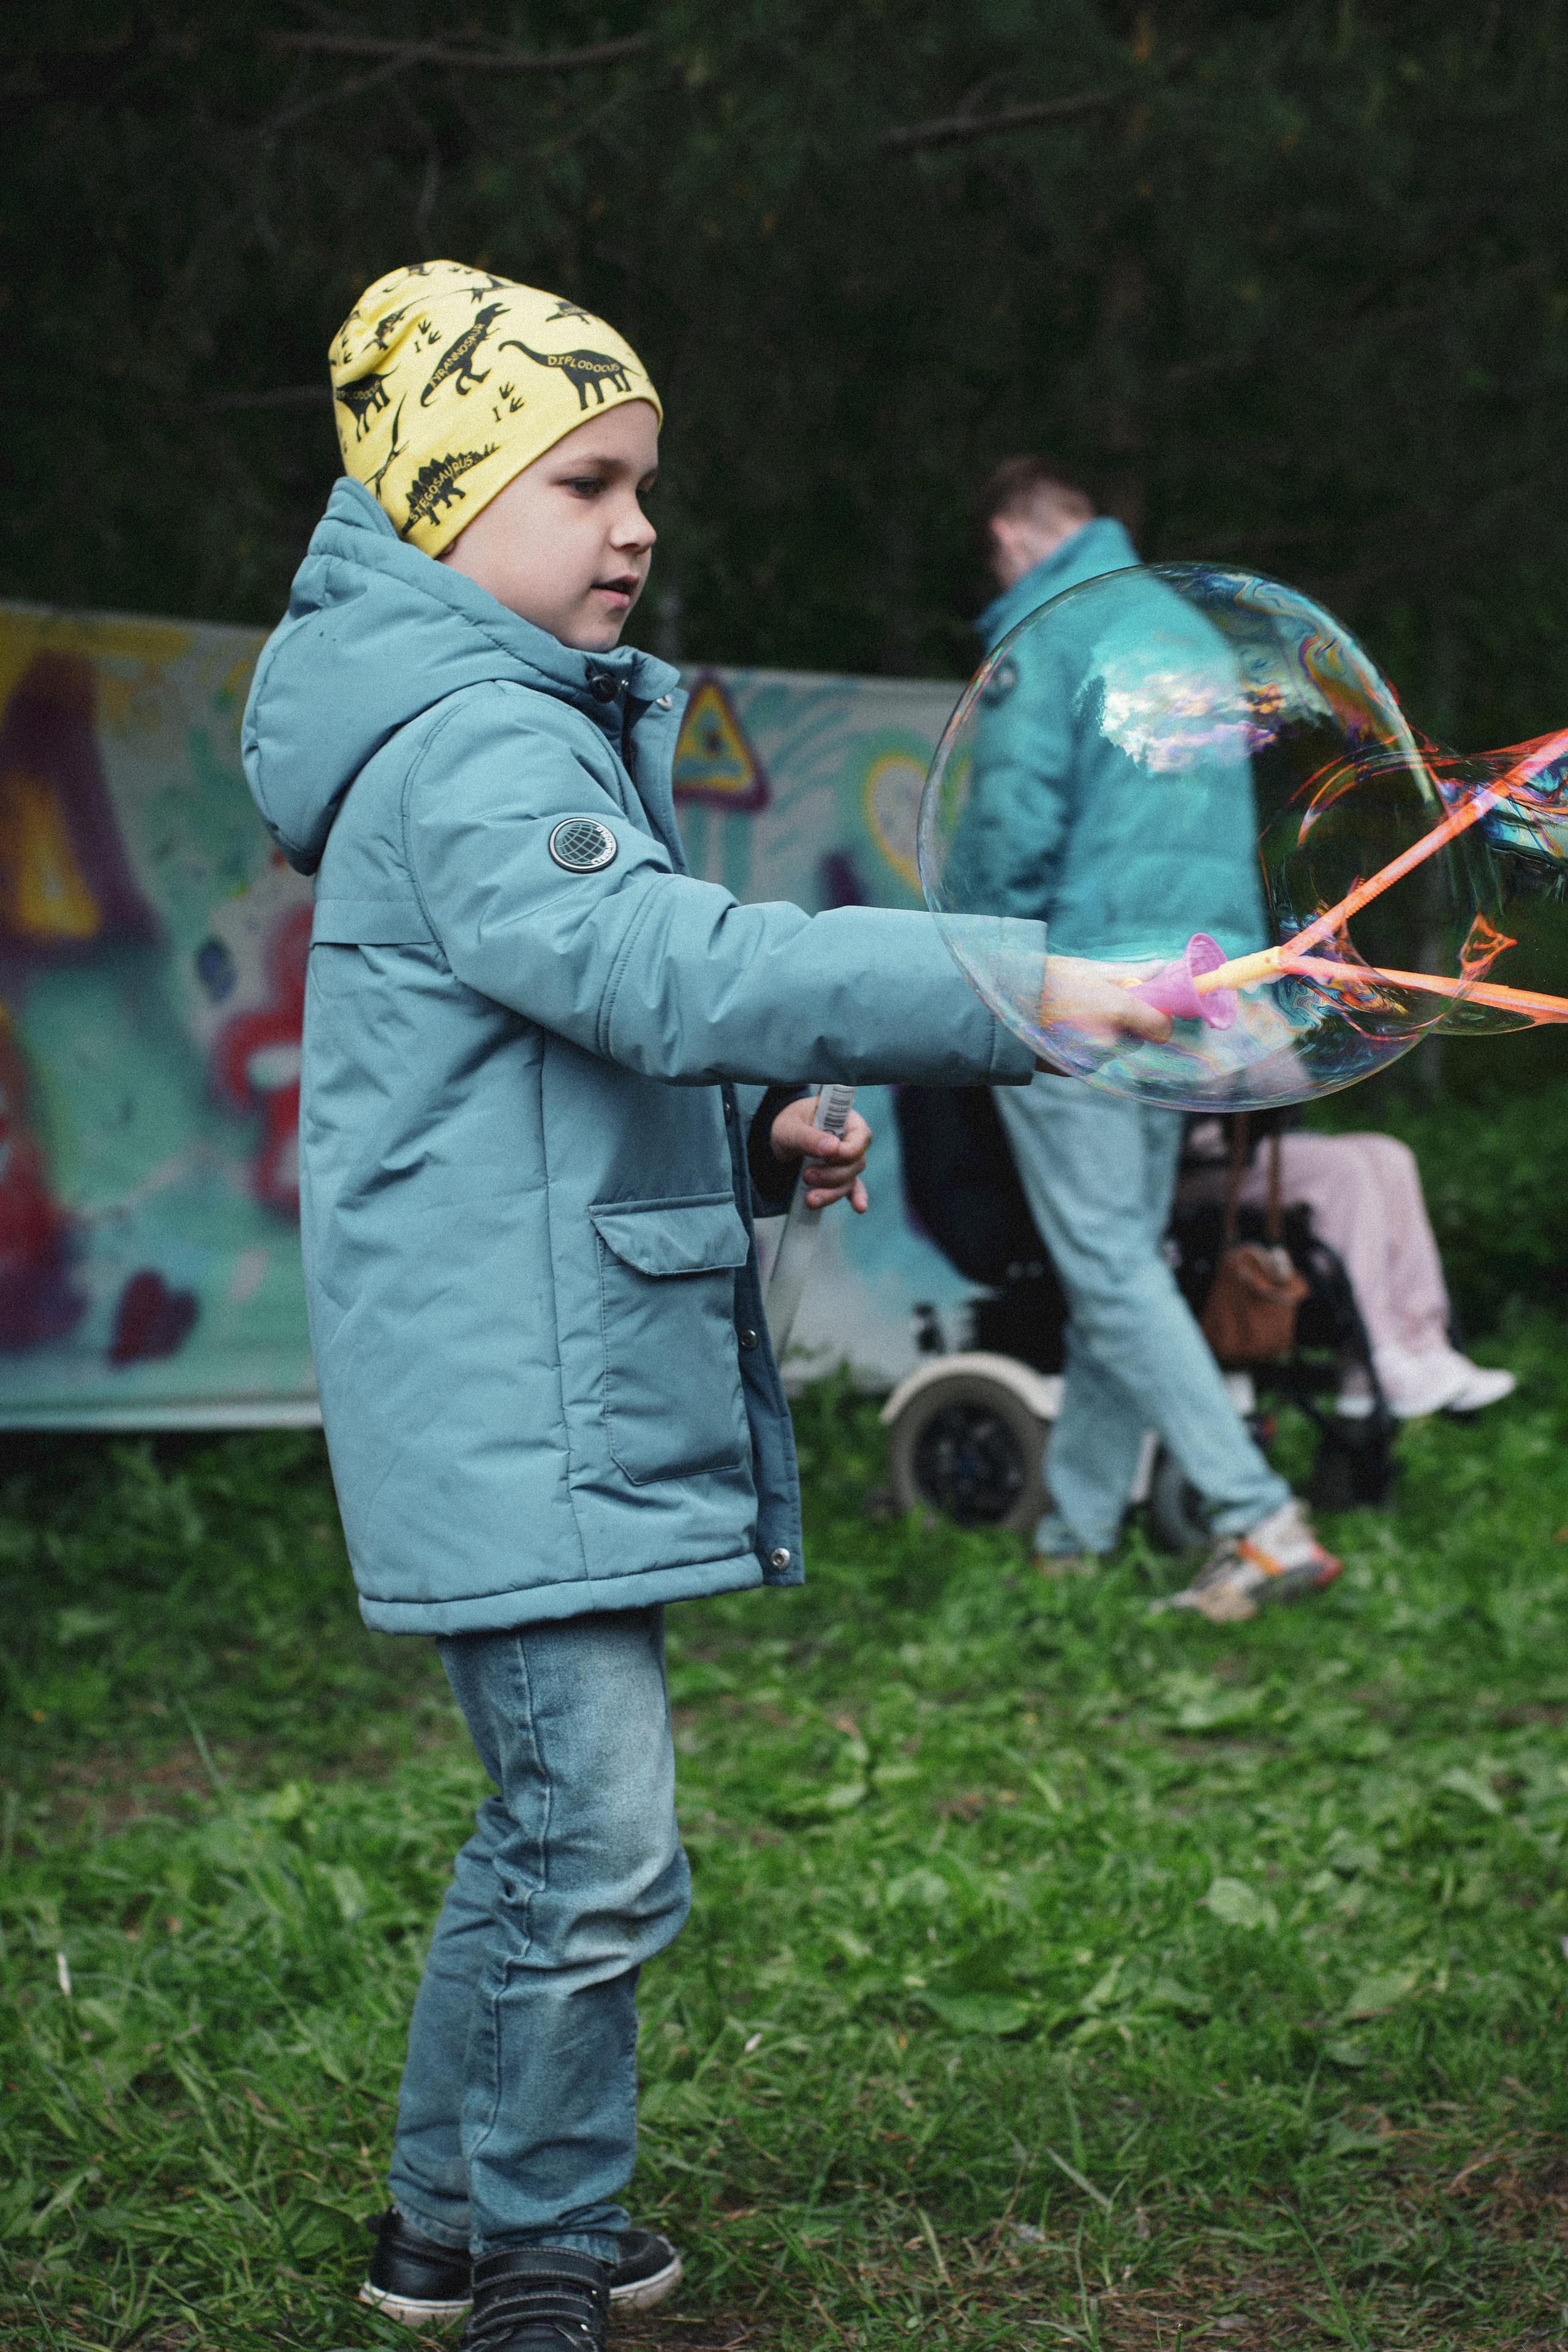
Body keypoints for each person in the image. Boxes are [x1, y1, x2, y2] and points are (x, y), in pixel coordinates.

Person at [241, 270, 1167, 2352]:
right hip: (518, 1387)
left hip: (528, 1362)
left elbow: (557, 1055)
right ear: (445, 501)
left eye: (645, 481)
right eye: (585, 480)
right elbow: (660, 967)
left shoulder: (493, 728)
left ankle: (441, 2224)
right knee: (598, 1849)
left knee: (547, 1829)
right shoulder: (474, 742)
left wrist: (744, 1148)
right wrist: (1021, 987)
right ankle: (545, 2261)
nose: (635, 525)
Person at [967, 455, 1341, 1623]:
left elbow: (1010, 823)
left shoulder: (1051, 626)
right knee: (1114, 1263)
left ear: (1010, 537)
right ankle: (1075, 1537)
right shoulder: (1184, 631)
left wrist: (967, 953)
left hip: (1081, 984)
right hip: (1197, 991)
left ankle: (1259, 1520)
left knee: (1110, 1266)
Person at [1179, 1117, 1515, 1418]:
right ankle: (1372, 1354)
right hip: (1195, 1155)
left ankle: (1426, 1344)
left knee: (1389, 1155)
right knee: (1342, 1169)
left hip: (1254, 1138)